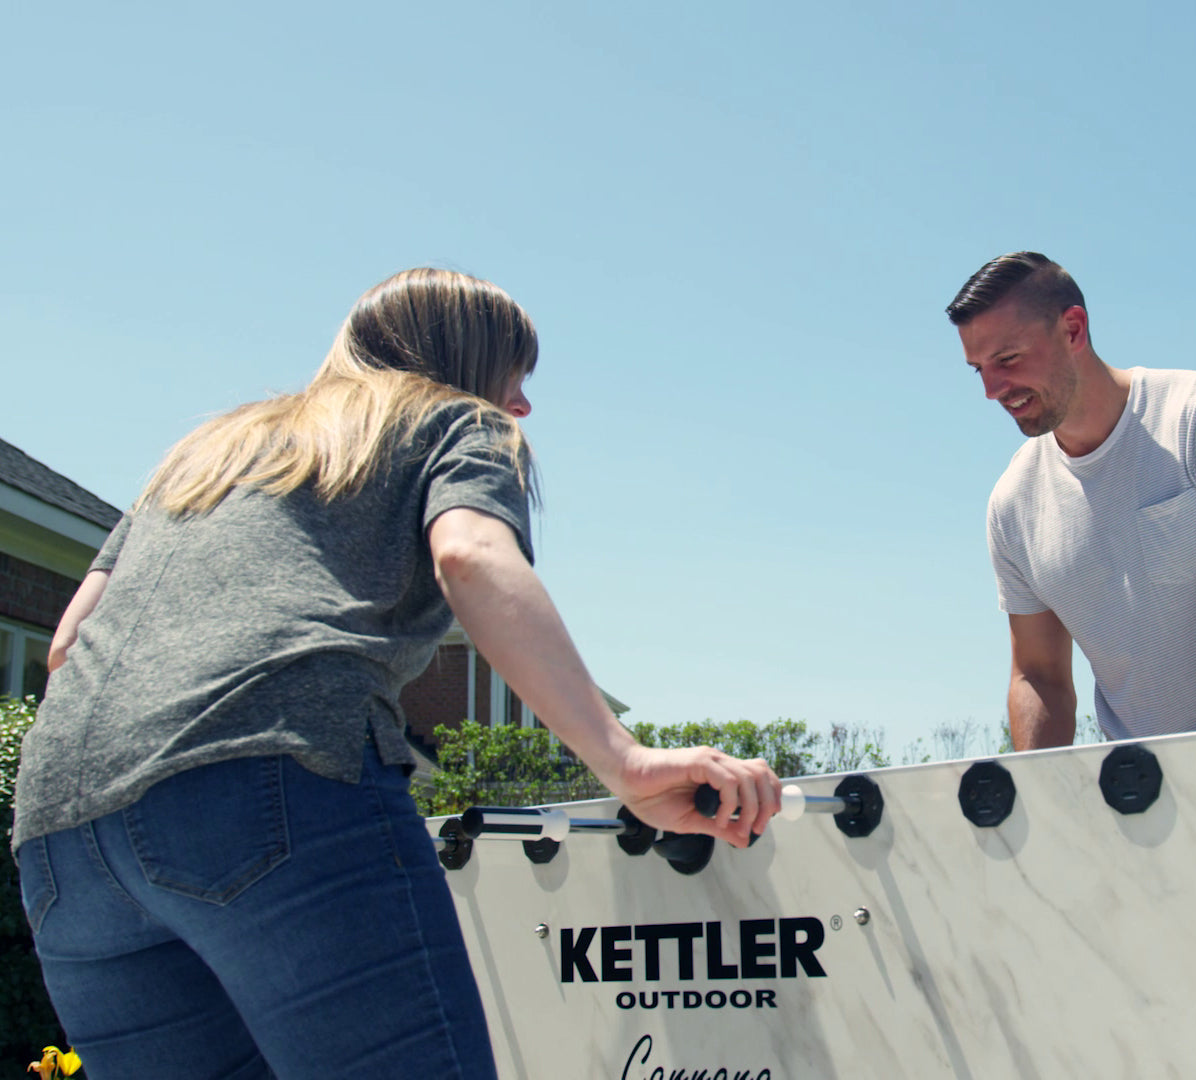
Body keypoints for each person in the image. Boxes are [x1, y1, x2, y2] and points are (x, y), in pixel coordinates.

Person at [10, 268, 781, 1079]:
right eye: (514, 378)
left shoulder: (208, 451)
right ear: (469, 367)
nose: (521, 406)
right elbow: (471, 556)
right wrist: (623, 761)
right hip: (275, 779)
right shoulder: (455, 421)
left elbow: (67, 646)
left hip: (60, 836)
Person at [947, 252, 1196, 749]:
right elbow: (1038, 675)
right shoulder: (1013, 505)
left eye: (1007, 360)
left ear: (1073, 330)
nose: (991, 389)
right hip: (1147, 802)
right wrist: (1044, 805)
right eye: (977, 369)